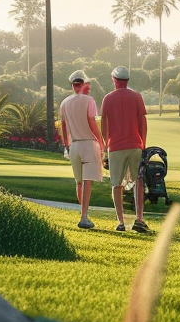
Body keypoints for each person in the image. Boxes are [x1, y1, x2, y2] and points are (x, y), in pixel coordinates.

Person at [100, 65, 151, 233]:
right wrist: (142, 143)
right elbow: (143, 123)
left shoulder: (108, 98)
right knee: (138, 182)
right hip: (135, 145)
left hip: (115, 147)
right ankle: (139, 218)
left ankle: (121, 222)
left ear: (114, 80)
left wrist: (106, 145)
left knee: (116, 184)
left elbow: (104, 125)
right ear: (127, 80)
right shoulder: (137, 96)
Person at [59, 69, 103, 230]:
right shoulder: (89, 100)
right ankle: (84, 217)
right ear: (82, 85)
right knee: (87, 181)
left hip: (74, 145)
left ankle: (84, 214)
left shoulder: (64, 103)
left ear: (72, 85)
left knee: (79, 182)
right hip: (88, 143)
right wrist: (101, 142)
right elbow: (92, 123)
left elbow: (63, 127)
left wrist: (66, 145)